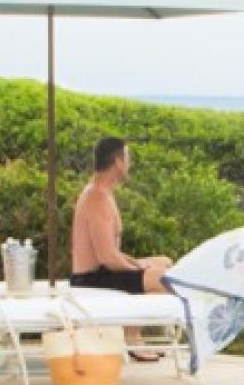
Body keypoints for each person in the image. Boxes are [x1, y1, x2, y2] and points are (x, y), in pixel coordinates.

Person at [71, 136, 173, 361]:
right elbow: (106, 257)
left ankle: (133, 336)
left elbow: (109, 251)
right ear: (117, 161)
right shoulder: (96, 198)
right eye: (128, 158)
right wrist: (138, 270)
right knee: (162, 279)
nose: (130, 163)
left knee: (164, 262)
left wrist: (138, 264)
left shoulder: (103, 193)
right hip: (91, 278)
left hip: (102, 271)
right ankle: (132, 339)